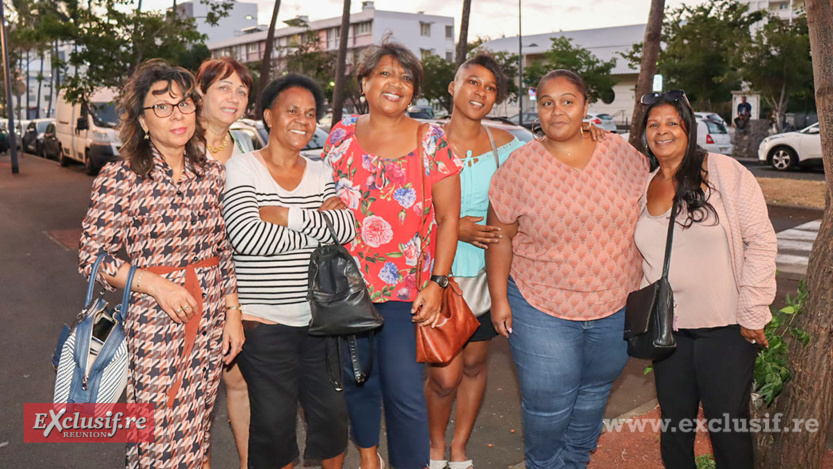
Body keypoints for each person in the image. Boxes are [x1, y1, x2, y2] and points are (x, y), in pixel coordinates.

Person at [78, 59, 244, 468]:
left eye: (185, 104)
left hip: (207, 317)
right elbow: (92, 257)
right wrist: (155, 284)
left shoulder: (210, 175)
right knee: (154, 430)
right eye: (163, 107)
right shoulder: (121, 177)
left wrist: (233, 313)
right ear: (142, 119)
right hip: (153, 321)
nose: (178, 115)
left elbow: (222, 249)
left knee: (197, 425)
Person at [486, 69, 649, 469]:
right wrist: (498, 299)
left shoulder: (622, 154)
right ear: (537, 109)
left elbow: (656, 201)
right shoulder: (520, 167)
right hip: (540, 302)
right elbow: (500, 236)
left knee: (594, 392)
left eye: (568, 101)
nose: (557, 111)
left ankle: (576, 462)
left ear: (585, 106)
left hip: (616, 302)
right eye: (547, 103)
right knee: (548, 403)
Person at [323, 41, 463, 469]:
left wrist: (438, 283)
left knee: (404, 393)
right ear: (364, 82)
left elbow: (449, 219)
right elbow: (321, 194)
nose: (395, 84)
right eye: (385, 73)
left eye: (405, 78)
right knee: (358, 383)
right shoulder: (341, 134)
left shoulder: (431, 139)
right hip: (346, 290)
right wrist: (324, 203)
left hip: (408, 294)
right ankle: (370, 457)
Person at [635, 89, 776, 469]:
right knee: (675, 429)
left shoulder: (725, 173)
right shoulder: (643, 184)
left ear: (688, 128)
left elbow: (761, 240)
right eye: (653, 124)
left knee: (727, 430)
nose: (662, 131)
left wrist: (753, 310)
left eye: (672, 123)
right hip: (669, 333)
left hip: (726, 329)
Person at [223, 73, 354, 469]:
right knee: (274, 430)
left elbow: (347, 229)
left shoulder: (321, 172)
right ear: (268, 116)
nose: (303, 120)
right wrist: (317, 222)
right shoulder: (242, 168)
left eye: (311, 113)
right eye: (292, 110)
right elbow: (246, 238)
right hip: (264, 324)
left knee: (332, 421)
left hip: (319, 321)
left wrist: (283, 214)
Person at [423, 53, 524, 469]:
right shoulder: (424, 140)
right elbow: (404, 209)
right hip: (437, 276)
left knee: (475, 364)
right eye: (472, 82)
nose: (480, 92)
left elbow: (554, 160)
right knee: (444, 375)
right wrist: (454, 229)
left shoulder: (510, 146)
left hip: (485, 276)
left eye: (490, 87)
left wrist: (593, 133)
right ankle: (434, 447)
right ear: (453, 87)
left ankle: (459, 448)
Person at [195, 56, 254, 469]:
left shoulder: (247, 146)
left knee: (239, 381)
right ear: (200, 92)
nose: (234, 97)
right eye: (224, 87)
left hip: (240, 282)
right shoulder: (177, 140)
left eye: (242, 90)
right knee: (193, 393)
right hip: (189, 282)